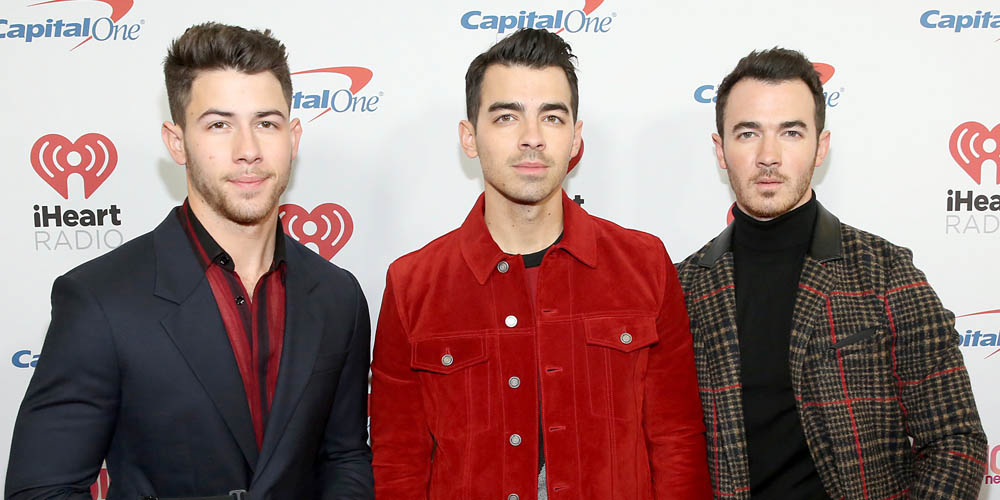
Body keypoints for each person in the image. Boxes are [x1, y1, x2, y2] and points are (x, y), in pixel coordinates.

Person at [6, 22, 374, 500]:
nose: (248, 150)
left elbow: (344, 457)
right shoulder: (99, 299)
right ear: (176, 142)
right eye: (219, 124)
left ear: (294, 136)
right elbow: (42, 491)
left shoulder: (337, 295)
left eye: (267, 122)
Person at [369, 28, 710, 500]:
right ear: (470, 138)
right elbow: (397, 462)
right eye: (507, 117)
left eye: (551, 117)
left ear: (575, 138)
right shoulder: (413, 284)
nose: (532, 138)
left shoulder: (645, 265)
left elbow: (677, 443)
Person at [676, 47, 987, 500]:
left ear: (820, 146)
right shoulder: (682, 288)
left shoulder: (886, 273)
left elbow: (956, 440)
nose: (768, 155)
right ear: (720, 150)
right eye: (747, 133)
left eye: (791, 132)